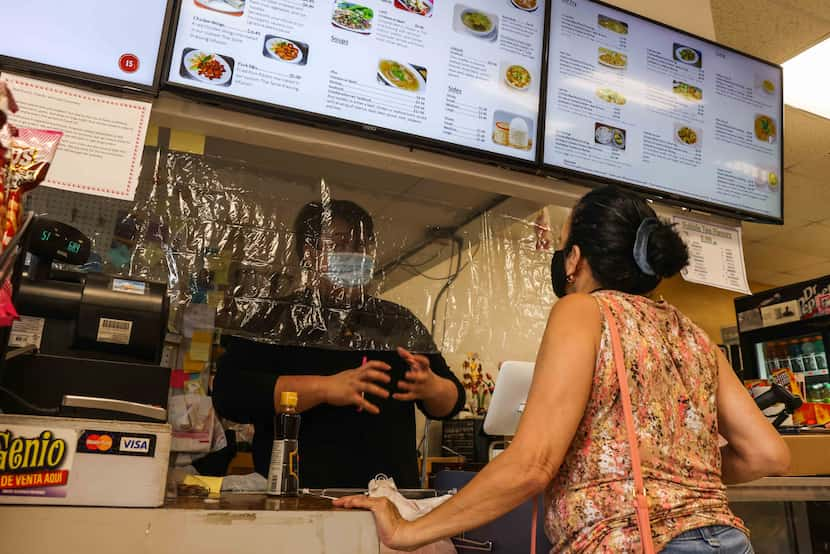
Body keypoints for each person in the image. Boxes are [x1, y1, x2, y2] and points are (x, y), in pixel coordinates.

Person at [336, 186, 790, 552]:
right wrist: (673, 479)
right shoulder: (692, 334)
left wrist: (409, 531)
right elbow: (767, 454)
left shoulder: (582, 311)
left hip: (631, 542)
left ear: (574, 259)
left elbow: (532, 464)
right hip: (726, 540)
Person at [213, 199, 465, 488]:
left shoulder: (398, 322)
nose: (353, 254)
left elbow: (453, 400)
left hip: (390, 502)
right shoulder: (275, 319)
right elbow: (229, 393)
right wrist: (324, 388)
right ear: (310, 254)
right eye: (339, 244)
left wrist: (433, 387)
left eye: (361, 245)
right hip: (299, 502)